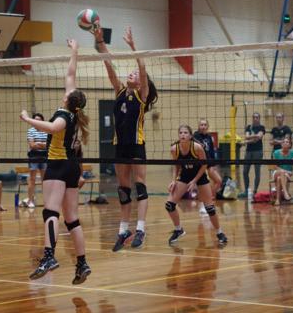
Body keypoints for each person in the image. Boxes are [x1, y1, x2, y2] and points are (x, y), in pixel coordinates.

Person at [20, 38, 91, 285]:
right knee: (72, 218)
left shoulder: (63, 115)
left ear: (68, 100)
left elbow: (52, 127)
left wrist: (28, 120)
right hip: (72, 167)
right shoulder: (75, 111)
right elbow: (71, 74)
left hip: (58, 165)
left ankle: (49, 256)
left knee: (51, 211)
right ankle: (82, 263)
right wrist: (75, 50)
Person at [95, 26, 158, 251]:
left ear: (141, 82)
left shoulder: (142, 96)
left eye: (134, 74)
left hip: (136, 145)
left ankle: (140, 228)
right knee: (123, 189)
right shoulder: (120, 91)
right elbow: (110, 68)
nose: (130, 74)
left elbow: (142, 66)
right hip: (119, 146)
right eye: (130, 73)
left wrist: (133, 47)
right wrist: (100, 43)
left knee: (140, 186)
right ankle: (123, 230)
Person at [166, 124, 228, 246]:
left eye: (185, 133)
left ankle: (220, 233)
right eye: (181, 133)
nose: (183, 135)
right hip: (184, 177)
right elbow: (176, 165)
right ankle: (178, 229)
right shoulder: (174, 149)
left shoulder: (197, 148)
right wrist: (174, 180)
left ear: (190, 135)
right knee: (169, 205)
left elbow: (204, 165)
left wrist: (194, 181)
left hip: (199, 177)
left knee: (210, 208)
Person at [24, 113, 48, 208]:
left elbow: (48, 145)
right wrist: (41, 144)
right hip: (33, 157)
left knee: (44, 180)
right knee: (32, 179)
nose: (37, 121)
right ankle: (30, 200)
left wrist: (38, 143)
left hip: (45, 157)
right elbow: (32, 145)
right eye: (35, 119)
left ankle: (46, 200)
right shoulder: (31, 131)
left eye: (39, 119)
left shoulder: (47, 131)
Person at [193, 118, 222, 194]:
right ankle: (199, 198)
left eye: (205, 125)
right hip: (199, 163)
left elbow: (212, 151)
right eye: (201, 125)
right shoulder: (195, 136)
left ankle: (210, 196)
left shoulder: (209, 137)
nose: (203, 126)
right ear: (198, 126)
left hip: (209, 162)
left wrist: (214, 164)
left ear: (207, 126)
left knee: (219, 181)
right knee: (199, 186)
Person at [243, 112, 265, 198]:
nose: (255, 119)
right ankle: (246, 190)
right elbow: (246, 136)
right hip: (248, 151)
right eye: (254, 117)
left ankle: (255, 191)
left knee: (257, 172)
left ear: (259, 118)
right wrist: (253, 137)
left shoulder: (262, 127)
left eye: (257, 117)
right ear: (252, 118)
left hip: (258, 151)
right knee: (245, 171)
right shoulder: (249, 127)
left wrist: (248, 140)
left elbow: (259, 137)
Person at [271, 138, 293, 206]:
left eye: (287, 142)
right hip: (276, 172)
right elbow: (275, 166)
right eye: (284, 142)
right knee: (281, 172)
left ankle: (278, 200)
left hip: (287, 175)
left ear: (290, 145)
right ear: (281, 144)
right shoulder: (276, 152)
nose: (285, 143)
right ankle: (285, 192)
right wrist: (286, 172)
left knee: (279, 179)